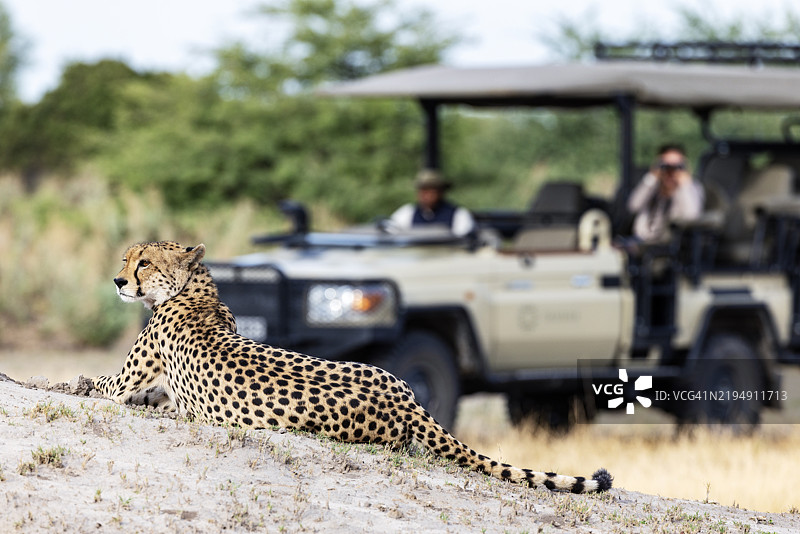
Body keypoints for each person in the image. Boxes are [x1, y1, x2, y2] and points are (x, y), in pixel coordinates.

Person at [627, 144, 704, 242]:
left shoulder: (692, 188)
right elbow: (633, 206)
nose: (670, 172)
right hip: (642, 240)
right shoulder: (652, 187)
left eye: (677, 166)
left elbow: (692, 217)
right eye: (665, 166)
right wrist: (652, 177)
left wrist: (684, 185)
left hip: (671, 245)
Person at [389, 169, 475, 236]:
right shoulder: (407, 213)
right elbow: (389, 232)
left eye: (431, 190)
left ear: (441, 192)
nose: (426, 195)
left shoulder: (458, 215)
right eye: (423, 190)